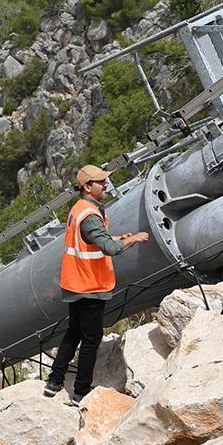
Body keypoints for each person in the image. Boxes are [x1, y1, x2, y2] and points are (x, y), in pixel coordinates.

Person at [44, 165, 149, 405]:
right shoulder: (90, 215)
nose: (105, 185)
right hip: (89, 286)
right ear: (87, 187)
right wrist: (134, 239)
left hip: (76, 283)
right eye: (101, 182)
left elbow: (92, 241)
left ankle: (54, 381)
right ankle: (81, 390)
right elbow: (109, 249)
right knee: (91, 340)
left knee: (74, 332)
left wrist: (117, 237)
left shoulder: (79, 210)